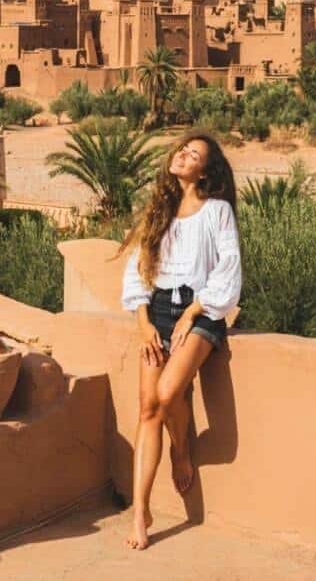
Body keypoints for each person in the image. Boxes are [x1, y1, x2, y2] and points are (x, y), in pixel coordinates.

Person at [118, 131, 240, 550]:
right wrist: (143, 322)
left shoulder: (217, 211)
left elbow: (228, 270)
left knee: (169, 393)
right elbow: (137, 269)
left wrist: (193, 312)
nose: (184, 155)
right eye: (183, 150)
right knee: (148, 406)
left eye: (194, 154)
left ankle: (180, 450)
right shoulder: (160, 210)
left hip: (201, 309)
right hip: (156, 309)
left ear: (205, 171)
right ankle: (141, 513)